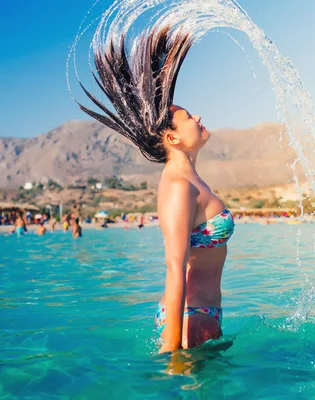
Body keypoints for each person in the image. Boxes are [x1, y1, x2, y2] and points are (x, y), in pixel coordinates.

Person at [76, 26, 235, 353]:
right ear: (172, 138)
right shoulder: (178, 186)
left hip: (201, 314)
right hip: (192, 318)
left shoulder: (190, 179)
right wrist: (172, 354)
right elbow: (174, 268)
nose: (198, 117)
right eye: (189, 117)